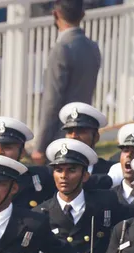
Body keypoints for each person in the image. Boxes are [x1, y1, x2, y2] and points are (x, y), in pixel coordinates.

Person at [32, 0, 100, 161]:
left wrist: (40, 146)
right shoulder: (92, 46)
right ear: (82, 15)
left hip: (61, 134)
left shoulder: (62, 48)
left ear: (55, 14)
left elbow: (52, 101)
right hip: (85, 131)